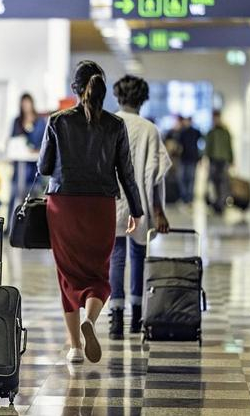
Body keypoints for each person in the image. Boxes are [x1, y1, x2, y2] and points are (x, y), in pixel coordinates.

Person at [38, 60, 143, 364]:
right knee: (98, 273)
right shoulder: (115, 125)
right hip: (100, 207)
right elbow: (126, 173)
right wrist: (136, 210)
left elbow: (44, 167)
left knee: (68, 277)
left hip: (63, 206)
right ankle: (91, 320)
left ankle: (74, 348)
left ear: (75, 88)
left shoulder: (57, 121)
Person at [108, 75, 172, 339]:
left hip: (113, 202)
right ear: (143, 99)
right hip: (141, 204)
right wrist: (159, 211)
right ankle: (136, 316)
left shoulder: (108, 124)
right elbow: (157, 174)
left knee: (116, 257)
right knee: (137, 255)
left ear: (118, 96)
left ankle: (115, 317)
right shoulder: (150, 129)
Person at [9, 93, 46, 218]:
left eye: (27, 102)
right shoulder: (17, 121)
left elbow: (44, 141)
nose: (25, 106)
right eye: (23, 103)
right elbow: (13, 140)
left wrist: (36, 150)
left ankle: (32, 223)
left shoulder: (40, 122)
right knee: (16, 194)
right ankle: (13, 223)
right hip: (20, 166)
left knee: (34, 195)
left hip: (34, 166)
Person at [205, 110, 234, 214]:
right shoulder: (211, 132)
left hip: (223, 160)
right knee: (214, 182)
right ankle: (216, 202)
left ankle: (221, 203)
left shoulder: (225, 132)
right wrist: (206, 158)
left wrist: (232, 159)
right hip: (213, 160)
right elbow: (208, 146)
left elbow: (229, 146)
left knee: (223, 182)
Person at [177, 117, 202, 204]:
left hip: (192, 158)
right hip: (183, 158)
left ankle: (190, 197)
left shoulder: (195, 132)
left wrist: (199, 157)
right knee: (182, 178)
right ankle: (184, 197)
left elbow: (201, 140)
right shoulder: (182, 132)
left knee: (191, 178)